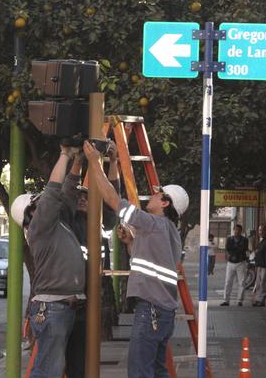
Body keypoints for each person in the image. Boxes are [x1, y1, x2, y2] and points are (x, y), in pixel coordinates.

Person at [83, 140, 188, 378]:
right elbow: (151, 262)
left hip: (150, 311)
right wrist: (131, 243)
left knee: (140, 371)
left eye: (157, 194)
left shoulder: (152, 223)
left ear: (165, 203)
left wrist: (94, 162)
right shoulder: (169, 230)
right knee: (157, 371)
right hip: (164, 314)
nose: (151, 195)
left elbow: (112, 199)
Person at [12, 144, 86, 378]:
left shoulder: (57, 223)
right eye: (39, 202)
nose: (44, 202)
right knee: (47, 372)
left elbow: (69, 191)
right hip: (53, 308)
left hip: (64, 307)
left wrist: (78, 161)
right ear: (31, 212)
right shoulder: (40, 226)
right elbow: (54, 191)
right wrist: (64, 154)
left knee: (56, 369)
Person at [61, 141, 120, 378]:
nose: (82, 199)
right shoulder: (67, 221)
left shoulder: (100, 223)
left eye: (87, 196)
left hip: (89, 299)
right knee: (57, 358)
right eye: (80, 197)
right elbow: (66, 192)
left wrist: (113, 162)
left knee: (79, 360)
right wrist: (77, 162)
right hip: (67, 298)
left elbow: (113, 197)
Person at [221, 224, 248, 307]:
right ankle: (226, 300)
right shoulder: (229, 239)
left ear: (241, 231)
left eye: (239, 230)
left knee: (242, 282)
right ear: (233, 230)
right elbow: (227, 249)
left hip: (241, 262)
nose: (237, 231)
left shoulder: (245, 240)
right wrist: (232, 253)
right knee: (228, 281)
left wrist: (234, 251)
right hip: (231, 263)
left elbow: (244, 249)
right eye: (236, 230)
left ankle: (240, 300)